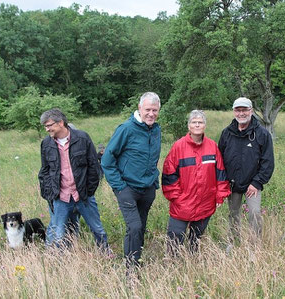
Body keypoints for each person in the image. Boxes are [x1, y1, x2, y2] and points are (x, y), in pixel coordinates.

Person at [101, 92, 161, 269]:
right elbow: (107, 160)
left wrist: (153, 181)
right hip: (127, 188)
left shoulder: (156, 129)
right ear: (140, 108)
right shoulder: (126, 129)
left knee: (140, 227)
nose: (151, 114)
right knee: (134, 227)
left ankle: (136, 259)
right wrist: (119, 186)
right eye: (148, 109)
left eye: (155, 110)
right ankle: (131, 270)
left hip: (148, 188)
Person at [38, 108, 109, 249]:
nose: (47, 129)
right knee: (59, 235)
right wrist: (50, 195)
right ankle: (62, 262)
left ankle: (105, 253)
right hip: (61, 198)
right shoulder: (46, 144)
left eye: (49, 125)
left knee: (97, 229)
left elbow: (94, 166)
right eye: (45, 126)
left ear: (60, 123)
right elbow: (45, 171)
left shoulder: (82, 138)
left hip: (83, 196)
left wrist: (89, 191)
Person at [162, 110, 230, 254]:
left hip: (206, 201)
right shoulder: (178, 146)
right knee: (175, 237)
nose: (197, 125)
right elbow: (169, 173)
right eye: (194, 122)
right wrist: (176, 197)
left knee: (196, 237)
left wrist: (220, 195)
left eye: (200, 122)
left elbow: (220, 173)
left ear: (205, 125)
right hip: (182, 202)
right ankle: (172, 264)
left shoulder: (212, 146)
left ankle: (193, 261)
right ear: (189, 126)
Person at [218, 97, 275, 247]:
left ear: (251, 111)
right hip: (232, 183)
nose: (241, 113)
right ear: (234, 112)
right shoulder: (226, 133)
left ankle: (254, 247)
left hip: (253, 185)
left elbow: (268, 162)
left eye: (244, 110)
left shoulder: (262, 134)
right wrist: (223, 182)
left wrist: (256, 183)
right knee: (233, 214)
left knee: (255, 213)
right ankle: (234, 243)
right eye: (238, 110)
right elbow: (220, 159)